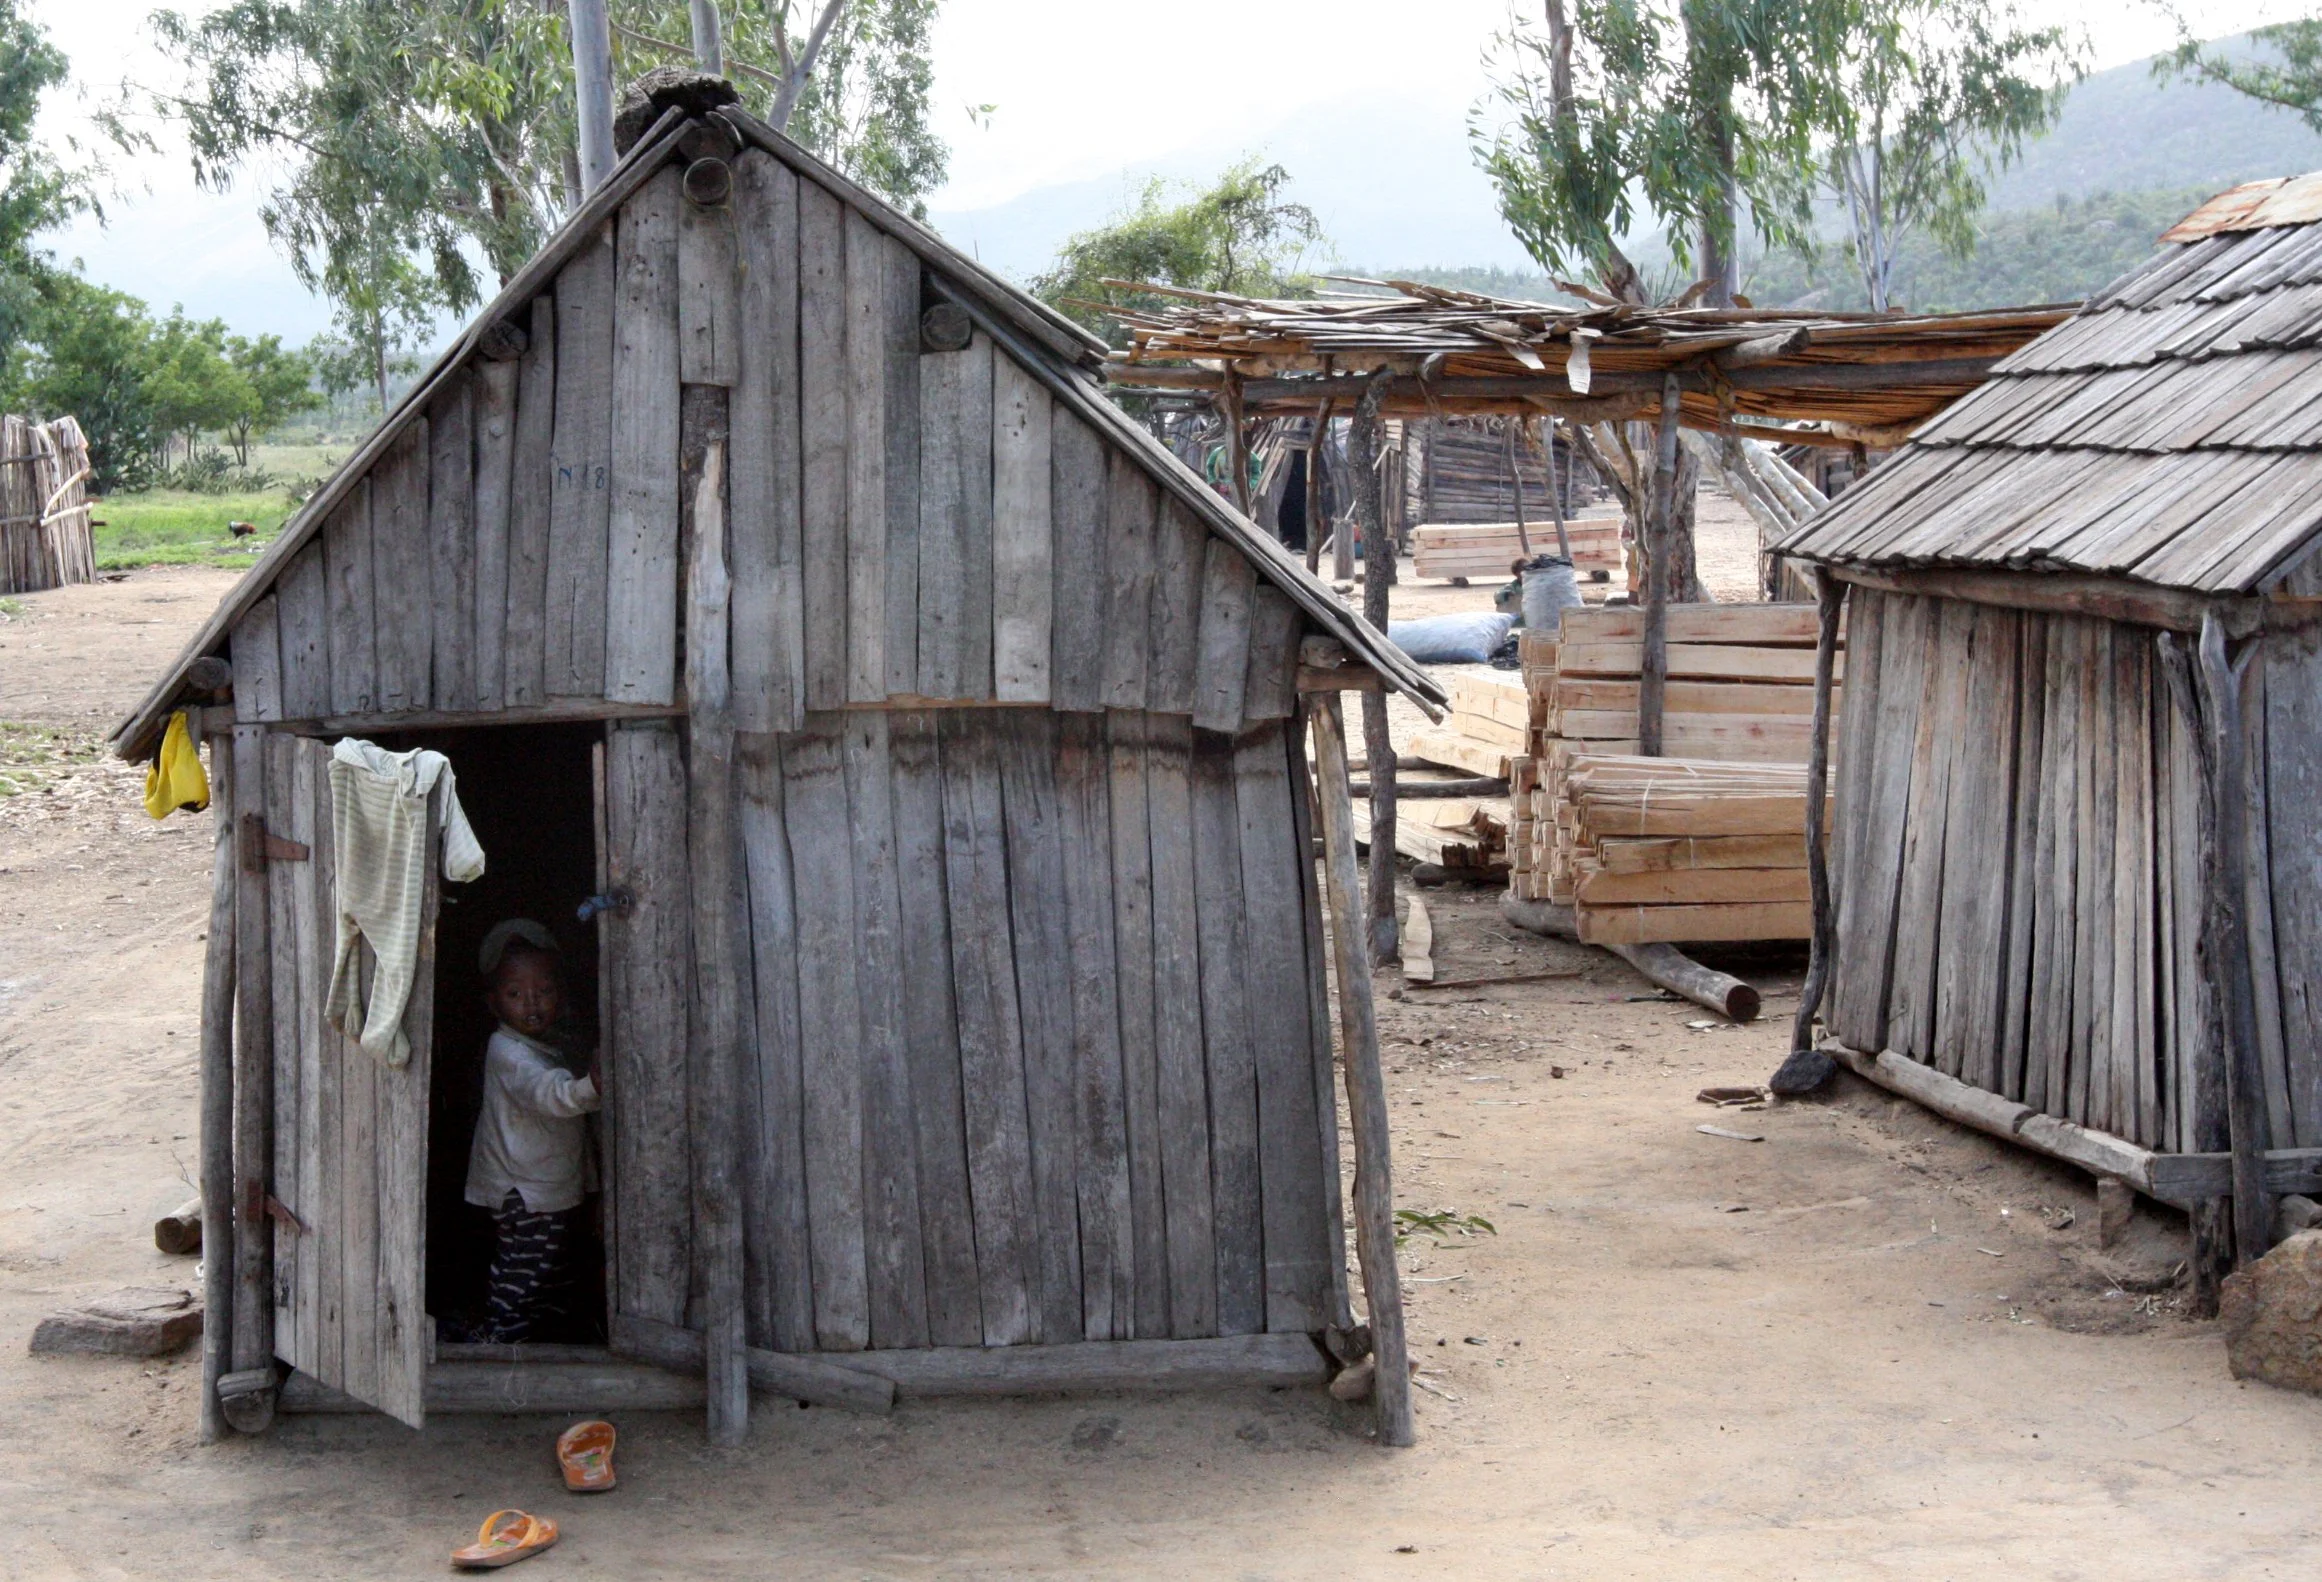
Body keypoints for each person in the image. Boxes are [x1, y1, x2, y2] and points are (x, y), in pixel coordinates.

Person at [464, 920, 599, 1343]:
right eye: (515, 994)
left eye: (544, 990)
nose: (532, 1003)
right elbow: (548, 1094)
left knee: (546, 1271)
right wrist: (593, 1086)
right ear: (493, 1003)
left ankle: (533, 1337)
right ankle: (499, 1341)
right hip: (525, 1192)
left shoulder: (545, 1046)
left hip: (546, 1187)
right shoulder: (508, 1052)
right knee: (521, 1273)